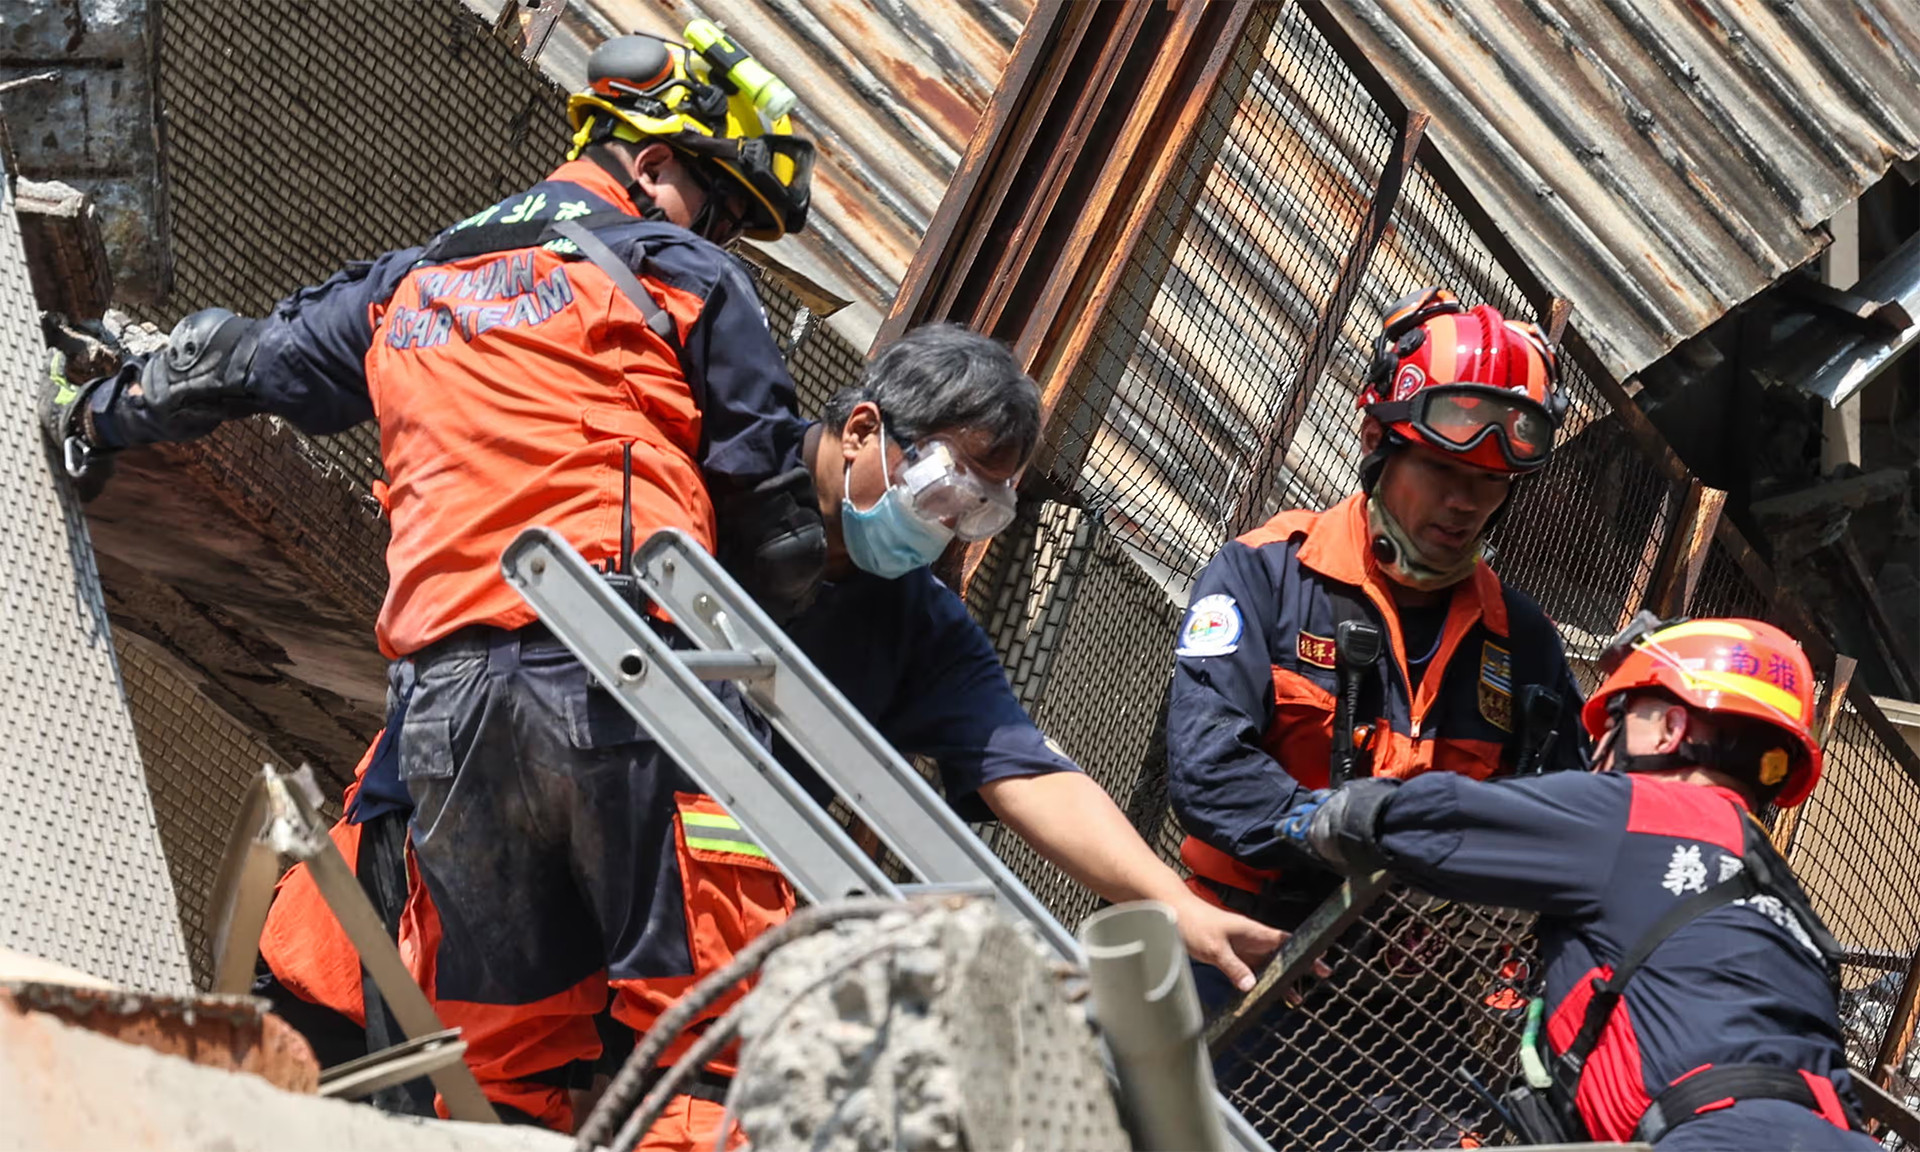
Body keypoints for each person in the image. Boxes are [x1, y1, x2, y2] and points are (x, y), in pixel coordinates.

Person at [43, 28, 826, 1135]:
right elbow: (778, 536)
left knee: (494, 1068)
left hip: (448, 711)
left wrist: (90, 415)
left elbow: (231, 362)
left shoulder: (417, 277)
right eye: (724, 204)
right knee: (706, 1051)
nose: (724, 233)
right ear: (654, 166)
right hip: (632, 669)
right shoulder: (683, 271)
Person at [247, 323, 1288, 1147]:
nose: (941, 533)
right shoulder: (692, 496)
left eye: (975, 517)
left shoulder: (917, 626)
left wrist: (1172, 903)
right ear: (863, 428)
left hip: (630, 988)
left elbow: (1026, 767)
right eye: (939, 494)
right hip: (436, 902)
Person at [1278, 615, 1879, 1150]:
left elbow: (1430, 821)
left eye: (1617, 719)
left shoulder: (1633, 812)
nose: (1597, 749)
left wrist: (1311, 817)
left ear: (1668, 729)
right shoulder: (1790, 905)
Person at [1167, 286, 1590, 1000]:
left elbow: (1569, 815)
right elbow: (1207, 772)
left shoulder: (1524, 641)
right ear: (1375, 442)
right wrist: (1344, 829)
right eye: (1443, 472)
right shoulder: (1265, 574)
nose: (1466, 503)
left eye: (1491, 484)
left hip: (1410, 1001)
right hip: (1242, 952)